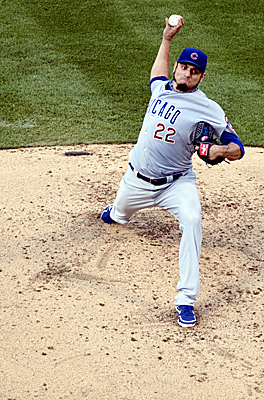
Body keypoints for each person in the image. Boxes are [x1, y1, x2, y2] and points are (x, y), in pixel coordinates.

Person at [100, 16, 245, 327]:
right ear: (177, 68)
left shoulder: (208, 108)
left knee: (192, 220)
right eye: (184, 67)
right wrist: (166, 39)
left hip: (176, 184)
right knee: (118, 215)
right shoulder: (161, 88)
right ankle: (116, 211)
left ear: (201, 78)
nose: (187, 74)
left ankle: (185, 299)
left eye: (194, 72)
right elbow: (157, 72)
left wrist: (217, 150)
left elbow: (238, 148)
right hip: (136, 180)